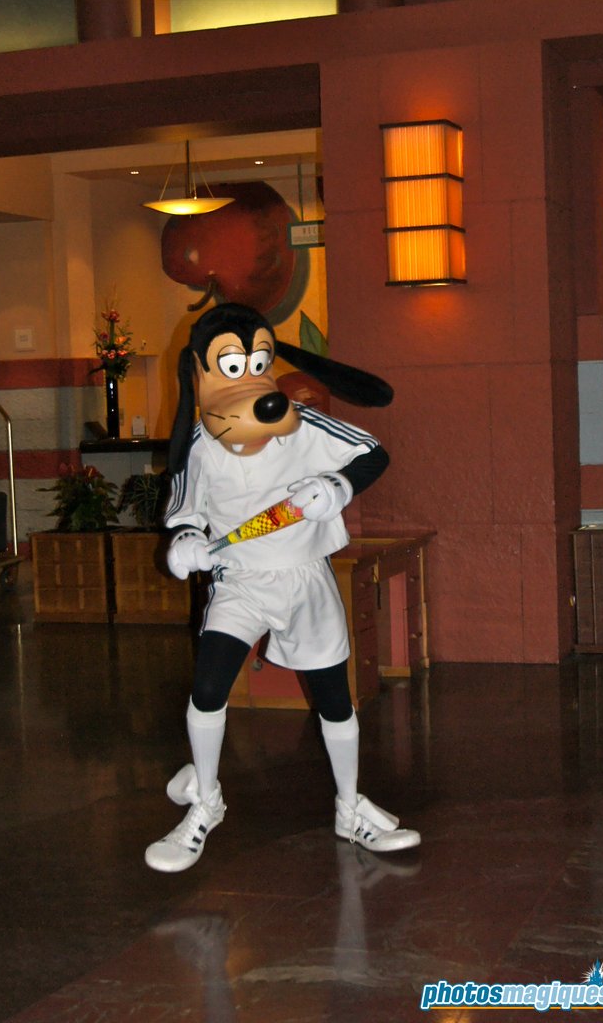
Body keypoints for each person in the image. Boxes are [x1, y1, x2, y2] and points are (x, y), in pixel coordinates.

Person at [145, 303, 420, 872]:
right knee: (208, 688)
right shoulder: (199, 444)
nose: (250, 381)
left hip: (306, 579)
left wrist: (337, 486)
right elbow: (183, 509)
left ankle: (350, 808)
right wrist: (186, 541)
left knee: (335, 700)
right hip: (240, 582)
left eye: (258, 363)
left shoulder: (303, 427)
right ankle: (206, 802)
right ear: (200, 372)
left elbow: (373, 454)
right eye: (231, 365)